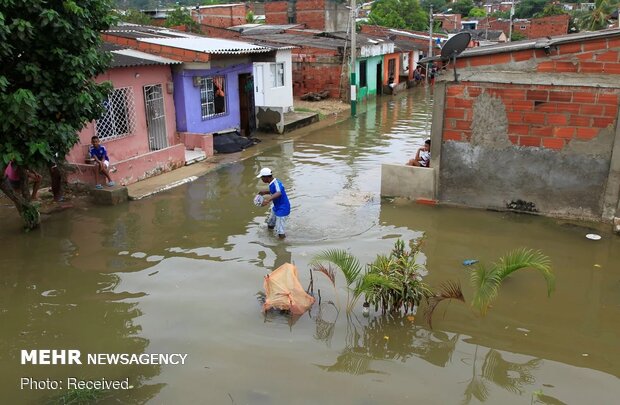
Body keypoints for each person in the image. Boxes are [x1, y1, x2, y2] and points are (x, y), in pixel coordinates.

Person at [257, 167, 290, 239]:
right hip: (276, 207)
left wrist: (268, 200)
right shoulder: (271, 183)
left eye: (262, 177)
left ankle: (281, 245)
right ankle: (270, 235)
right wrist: (265, 192)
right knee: (270, 224)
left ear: (266, 177)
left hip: (282, 209)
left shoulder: (276, 183)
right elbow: (274, 192)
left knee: (280, 231)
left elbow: (279, 193)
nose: (261, 179)